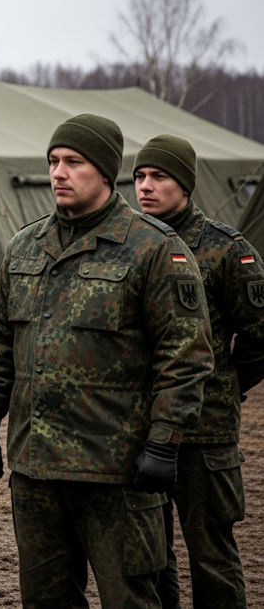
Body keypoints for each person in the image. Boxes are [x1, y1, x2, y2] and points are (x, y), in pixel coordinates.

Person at [0, 114, 214, 608]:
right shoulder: (24, 247)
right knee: (46, 599)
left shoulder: (153, 248)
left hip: (117, 473)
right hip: (36, 470)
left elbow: (185, 357)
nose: (58, 172)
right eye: (53, 161)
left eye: (73, 162)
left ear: (105, 172)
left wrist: (164, 443)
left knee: (130, 598)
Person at [132, 134, 264, 609]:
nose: (145, 187)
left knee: (211, 552)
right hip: (140, 427)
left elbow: (259, 337)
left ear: (185, 184)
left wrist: (223, 385)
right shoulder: (130, 244)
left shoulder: (227, 251)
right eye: (139, 177)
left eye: (159, 176)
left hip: (205, 434)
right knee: (148, 554)